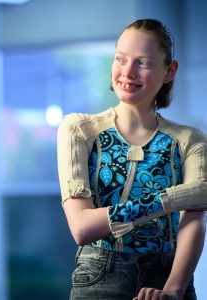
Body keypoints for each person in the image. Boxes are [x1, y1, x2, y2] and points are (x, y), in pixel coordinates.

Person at [57, 19, 207, 300]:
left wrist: (173, 289)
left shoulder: (190, 140)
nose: (127, 72)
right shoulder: (80, 129)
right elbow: (82, 228)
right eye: (120, 59)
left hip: (171, 277)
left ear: (169, 72)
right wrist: (172, 199)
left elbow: (195, 220)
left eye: (144, 63)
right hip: (99, 277)